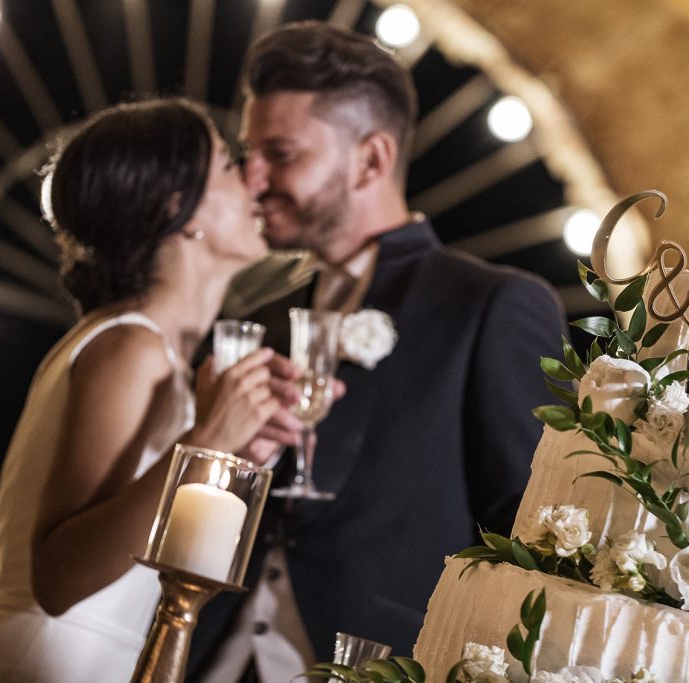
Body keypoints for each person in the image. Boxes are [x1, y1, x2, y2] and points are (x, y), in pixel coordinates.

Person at [186, 21, 566, 682]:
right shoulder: (258, 318)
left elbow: (535, 532)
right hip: (215, 654)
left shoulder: (489, 304)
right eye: (251, 154)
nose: (253, 179)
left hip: (388, 660)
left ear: (371, 159)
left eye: (281, 153)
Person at [0, 98, 300, 682]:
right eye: (227, 164)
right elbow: (57, 578)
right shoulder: (130, 345)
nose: (252, 176)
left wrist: (234, 457)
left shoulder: (166, 358)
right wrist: (206, 438)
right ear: (179, 208)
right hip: (47, 661)